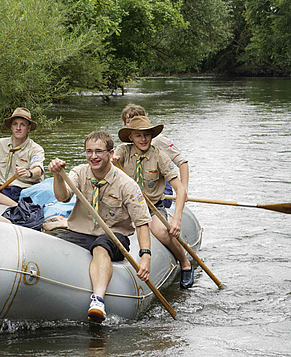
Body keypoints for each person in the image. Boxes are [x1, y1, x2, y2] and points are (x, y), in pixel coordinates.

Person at [48, 131, 152, 323]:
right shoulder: (78, 173)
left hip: (113, 236)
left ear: (111, 153)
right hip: (80, 232)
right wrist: (57, 176)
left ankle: (97, 301)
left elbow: (142, 221)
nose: (93, 156)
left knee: (101, 246)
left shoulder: (126, 184)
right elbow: (63, 197)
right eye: (89, 151)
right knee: (52, 244)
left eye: (99, 151)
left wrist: (145, 255)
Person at [113, 115, 194, 289]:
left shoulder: (160, 157)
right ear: (130, 137)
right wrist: (111, 163)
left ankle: (185, 263)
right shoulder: (122, 152)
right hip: (126, 206)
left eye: (147, 135)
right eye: (138, 135)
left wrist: (177, 219)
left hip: (151, 206)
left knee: (163, 233)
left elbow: (179, 189)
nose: (143, 139)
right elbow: (108, 164)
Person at [121, 104, 189, 206]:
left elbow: (182, 162)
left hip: (159, 188)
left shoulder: (158, 140)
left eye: (137, 119)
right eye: (128, 121)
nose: (133, 124)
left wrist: (183, 190)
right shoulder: (124, 148)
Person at [0, 108, 45, 206]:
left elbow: (38, 170)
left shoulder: (36, 149)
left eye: (23, 125)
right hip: (2, 192)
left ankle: (18, 208)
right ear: (11, 127)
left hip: (24, 193)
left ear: (28, 128)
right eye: (15, 124)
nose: (18, 128)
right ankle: (16, 208)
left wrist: (28, 173)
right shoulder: (0, 144)